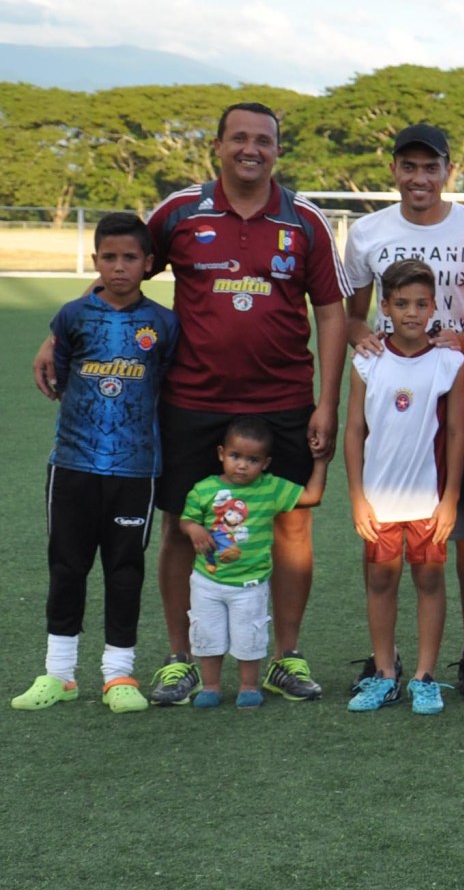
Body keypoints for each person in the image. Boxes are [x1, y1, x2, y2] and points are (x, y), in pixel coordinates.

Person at [33, 101, 348, 705]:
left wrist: (327, 402)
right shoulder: (180, 211)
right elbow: (124, 266)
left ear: (278, 150)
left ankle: (285, 656)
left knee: (292, 521)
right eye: (239, 138)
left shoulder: (304, 220)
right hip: (191, 399)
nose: (250, 149)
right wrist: (59, 333)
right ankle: (179, 658)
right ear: (219, 146)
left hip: (282, 397)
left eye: (263, 140)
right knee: (183, 522)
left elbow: (331, 311)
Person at [342, 123, 464, 699]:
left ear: (447, 171)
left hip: (462, 393)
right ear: (394, 170)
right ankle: (386, 661)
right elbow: (354, 316)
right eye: (408, 167)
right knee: (387, 526)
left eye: (430, 167)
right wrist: (363, 339)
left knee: (463, 527)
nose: (419, 178)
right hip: (391, 392)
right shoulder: (366, 232)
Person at [13, 214, 180, 715]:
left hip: (135, 468)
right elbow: (60, 377)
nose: (119, 266)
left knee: (125, 570)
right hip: (73, 465)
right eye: (109, 257)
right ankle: (59, 673)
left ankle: (118, 673)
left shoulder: (163, 323)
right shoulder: (71, 316)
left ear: (149, 264)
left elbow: (166, 384)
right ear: (95, 262)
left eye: (130, 257)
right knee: (67, 567)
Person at [342, 258, 464, 716]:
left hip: (428, 501)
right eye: (401, 304)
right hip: (378, 499)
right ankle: (384, 674)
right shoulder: (367, 361)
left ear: (434, 306)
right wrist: (357, 497)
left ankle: (425, 676)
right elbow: (353, 431)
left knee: (430, 579)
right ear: (386, 307)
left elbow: (456, 433)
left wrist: (451, 497)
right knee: (380, 580)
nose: (412, 312)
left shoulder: (448, 362)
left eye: (420, 303)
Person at [171, 417, 329, 708]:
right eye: (235, 456)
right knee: (207, 634)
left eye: (252, 459)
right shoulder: (204, 489)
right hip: (207, 580)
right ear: (221, 454)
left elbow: (312, 496)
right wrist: (194, 529)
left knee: (250, 636)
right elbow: (186, 520)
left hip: (250, 583)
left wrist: (321, 463)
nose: (242, 465)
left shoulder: (271, 488)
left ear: (266, 463)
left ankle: (248, 686)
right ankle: (212, 687)